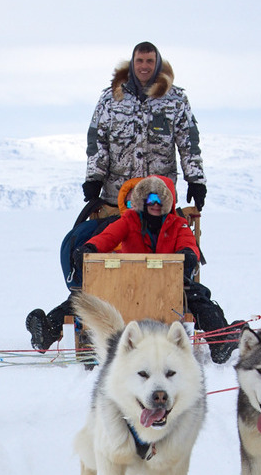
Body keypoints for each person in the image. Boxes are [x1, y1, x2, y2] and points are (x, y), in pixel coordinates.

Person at [27, 176, 239, 364]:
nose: (154, 205)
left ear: (168, 201)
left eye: (159, 199)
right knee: (85, 296)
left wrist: (187, 255)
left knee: (198, 297)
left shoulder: (178, 224)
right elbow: (108, 237)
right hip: (127, 282)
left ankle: (220, 342)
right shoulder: (129, 220)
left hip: (168, 284)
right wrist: (90, 247)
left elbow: (188, 244)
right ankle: (48, 330)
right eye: (149, 200)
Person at [82, 42, 207, 213]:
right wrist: (94, 179)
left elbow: (189, 143)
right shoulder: (110, 99)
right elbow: (97, 141)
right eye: (139, 60)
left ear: (157, 64)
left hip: (158, 199)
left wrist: (196, 180)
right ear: (133, 64)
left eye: (150, 61)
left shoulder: (176, 100)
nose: (144, 66)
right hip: (117, 198)